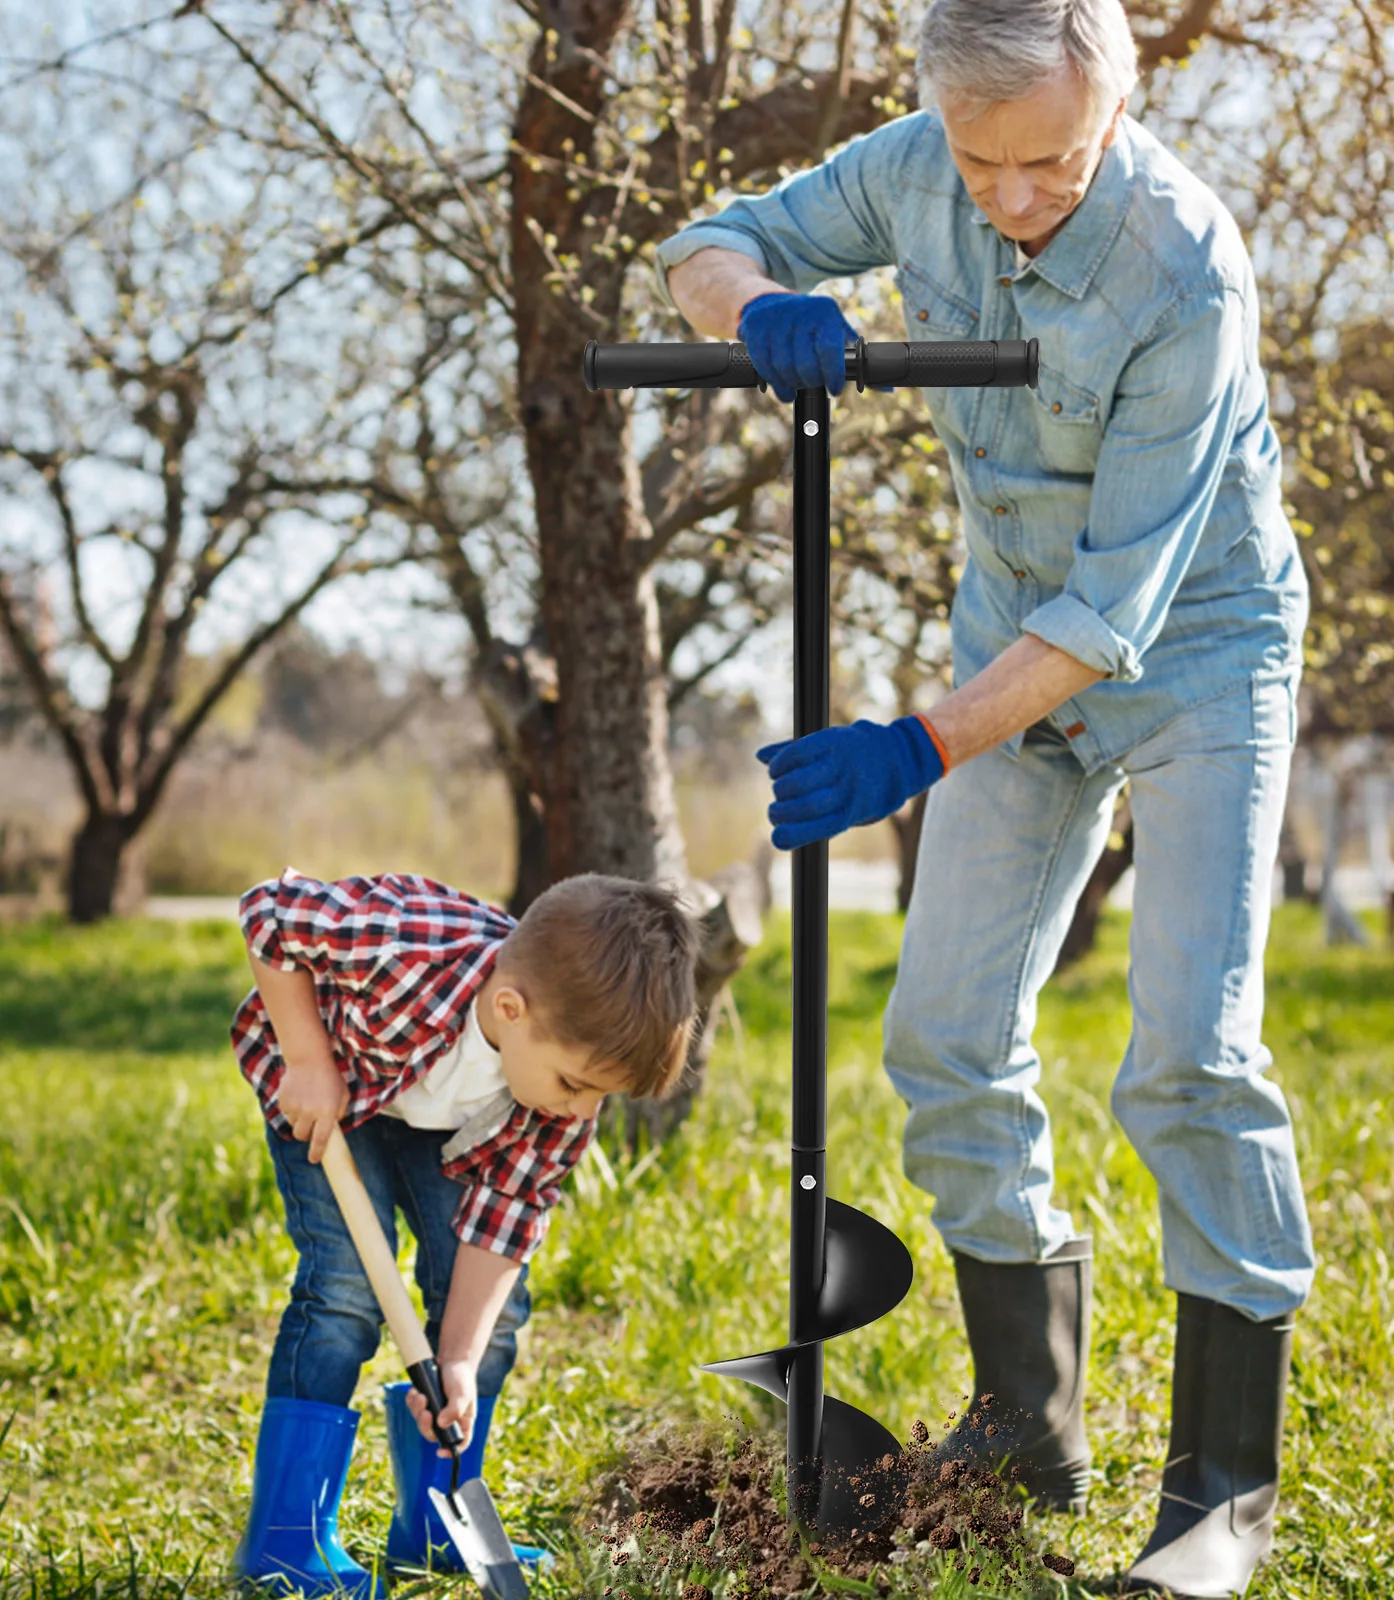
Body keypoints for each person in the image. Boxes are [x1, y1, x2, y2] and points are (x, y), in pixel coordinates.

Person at [657, 0, 1315, 1593]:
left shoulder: (1184, 265)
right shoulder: (917, 168)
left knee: (1189, 1059)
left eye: (1055, 164)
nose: (1014, 198)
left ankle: (1224, 1495)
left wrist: (915, 748)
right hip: (1001, 642)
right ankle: (1029, 1422)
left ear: (1118, 108)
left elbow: (1113, 615)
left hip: (1197, 654)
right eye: (984, 163)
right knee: (940, 1037)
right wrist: (757, 309)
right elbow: (707, 235)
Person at [230, 868, 699, 1598]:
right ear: (510, 1009)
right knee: (345, 1295)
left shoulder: (557, 1098)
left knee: (488, 1319)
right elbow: (270, 912)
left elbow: (509, 1216)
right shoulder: (402, 952)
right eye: (577, 1085)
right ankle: (284, 1540)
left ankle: (435, 1524)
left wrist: (456, 1361)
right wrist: (308, 1059)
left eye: (600, 1095)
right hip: (331, 1090)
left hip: (441, 1123)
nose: (582, 1113)